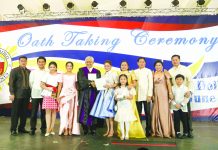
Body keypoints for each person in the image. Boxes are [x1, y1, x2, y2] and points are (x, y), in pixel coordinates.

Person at [117, 60, 145, 138]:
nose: (124, 66)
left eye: (125, 65)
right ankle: (122, 133)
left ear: (128, 66)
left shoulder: (131, 73)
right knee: (121, 115)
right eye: (122, 65)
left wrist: (130, 86)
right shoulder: (118, 73)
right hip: (120, 96)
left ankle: (130, 133)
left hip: (129, 96)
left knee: (130, 114)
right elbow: (117, 83)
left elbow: (135, 83)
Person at [90, 60, 117, 137]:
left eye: (108, 66)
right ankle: (108, 130)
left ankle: (112, 130)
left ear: (111, 66)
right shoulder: (103, 74)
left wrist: (110, 86)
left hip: (110, 93)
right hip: (103, 93)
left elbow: (116, 83)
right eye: (105, 66)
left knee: (110, 112)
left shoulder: (114, 73)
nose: (106, 67)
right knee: (105, 112)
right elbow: (101, 84)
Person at [169, 54, 194, 138]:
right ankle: (177, 132)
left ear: (179, 60)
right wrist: (170, 93)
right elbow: (169, 84)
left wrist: (190, 91)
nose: (174, 61)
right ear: (171, 61)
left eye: (176, 59)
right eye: (173, 60)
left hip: (185, 95)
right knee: (176, 117)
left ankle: (189, 131)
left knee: (186, 116)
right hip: (175, 97)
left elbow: (190, 81)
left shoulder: (185, 69)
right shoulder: (170, 71)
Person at [77, 56, 101, 135]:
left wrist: (96, 84)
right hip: (84, 93)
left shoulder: (97, 71)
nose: (89, 63)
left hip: (94, 93)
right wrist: (90, 82)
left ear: (93, 62)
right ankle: (85, 128)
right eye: (87, 61)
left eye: (90, 61)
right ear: (85, 62)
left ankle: (93, 128)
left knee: (93, 109)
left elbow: (99, 82)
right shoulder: (81, 70)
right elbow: (81, 80)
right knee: (84, 110)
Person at [151, 60, 175, 138]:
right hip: (155, 93)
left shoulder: (165, 73)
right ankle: (156, 131)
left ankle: (166, 132)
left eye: (160, 65)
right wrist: (152, 95)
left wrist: (170, 93)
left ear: (162, 66)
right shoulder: (152, 73)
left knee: (164, 111)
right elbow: (151, 86)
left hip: (164, 93)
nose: (158, 67)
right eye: (157, 65)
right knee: (156, 111)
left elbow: (168, 84)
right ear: (154, 66)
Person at [9, 56, 31, 135]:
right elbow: (11, 83)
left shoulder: (29, 71)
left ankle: (21, 128)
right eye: (22, 61)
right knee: (15, 113)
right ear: (19, 61)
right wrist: (12, 93)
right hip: (17, 95)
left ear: (26, 62)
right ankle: (13, 129)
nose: (23, 62)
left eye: (25, 61)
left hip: (26, 95)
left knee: (24, 113)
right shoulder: (14, 71)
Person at [57, 61, 80, 136]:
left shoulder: (75, 75)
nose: (69, 67)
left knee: (71, 112)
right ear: (66, 67)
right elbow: (60, 86)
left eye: (70, 66)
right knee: (64, 113)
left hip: (73, 94)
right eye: (68, 66)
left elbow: (76, 86)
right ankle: (65, 128)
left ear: (72, 67)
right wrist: (58, 96)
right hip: (64, 95)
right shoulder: (62, 75)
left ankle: (70, 128)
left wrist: (78, 95)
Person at [134, 57, 153, 137]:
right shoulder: (134, 71)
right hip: (137, 95)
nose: (142, 63)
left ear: (145, 63)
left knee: (147, 113)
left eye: (143, 62)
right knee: (138, 114)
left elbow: (151, 83)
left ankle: (148, 130)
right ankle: (139, 129)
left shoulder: (148, 71)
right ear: (137, 63)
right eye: (140, 62)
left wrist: (149, 95)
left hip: (146, 95)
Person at [114, 74, 137, 140]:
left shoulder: (129, 88)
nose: (123, 80)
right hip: (120, 105)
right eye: (121, 79)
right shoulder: (117, 88)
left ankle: (127, 134)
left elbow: (131, 97)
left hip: (127, 105)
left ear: (126, 80)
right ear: (119, 80)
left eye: (124, 79)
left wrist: (126, 97)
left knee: (127, 120)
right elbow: (115, 97)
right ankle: (122, 134)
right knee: (121, 120)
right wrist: (119, 97)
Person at [41, 61, 59, 136]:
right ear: (49, 68)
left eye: (53, 67)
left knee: (54, 112)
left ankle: (52, 129)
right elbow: (41, 85)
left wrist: (57, 93)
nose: (52, 68)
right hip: (48, 95)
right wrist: (49, 89)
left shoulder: (59, 76)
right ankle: (47, 129)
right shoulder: (46, 75)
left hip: (55, 95)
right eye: (51, 67)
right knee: (48, 112)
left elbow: (60, 85)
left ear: (56, 68)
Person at [29, 56, 47, 135]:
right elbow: (31, 83)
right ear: (37, 63)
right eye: (39, 62)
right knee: (33, 112)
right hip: (35, 94)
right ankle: (32, 128)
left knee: (44, 112)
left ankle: (43, 128)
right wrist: (36, 89)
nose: (41, 63)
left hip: (45, 95)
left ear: (45, 63)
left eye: (42, 62)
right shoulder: (33, 72)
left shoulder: (47, 72)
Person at [171, 74, 190, 139]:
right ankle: (177, 132)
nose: (179, 81)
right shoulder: (172, 88)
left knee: (184, 120)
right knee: (176, 120)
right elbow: (170, 98)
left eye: (180, 79)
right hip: (175, 107)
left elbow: (187, 98)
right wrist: (174, 104)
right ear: (175, 80)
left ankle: (186, 132)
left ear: (183, 81)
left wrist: (181, 104)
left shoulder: (186, 88)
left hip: (183, 107)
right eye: (177, 79)